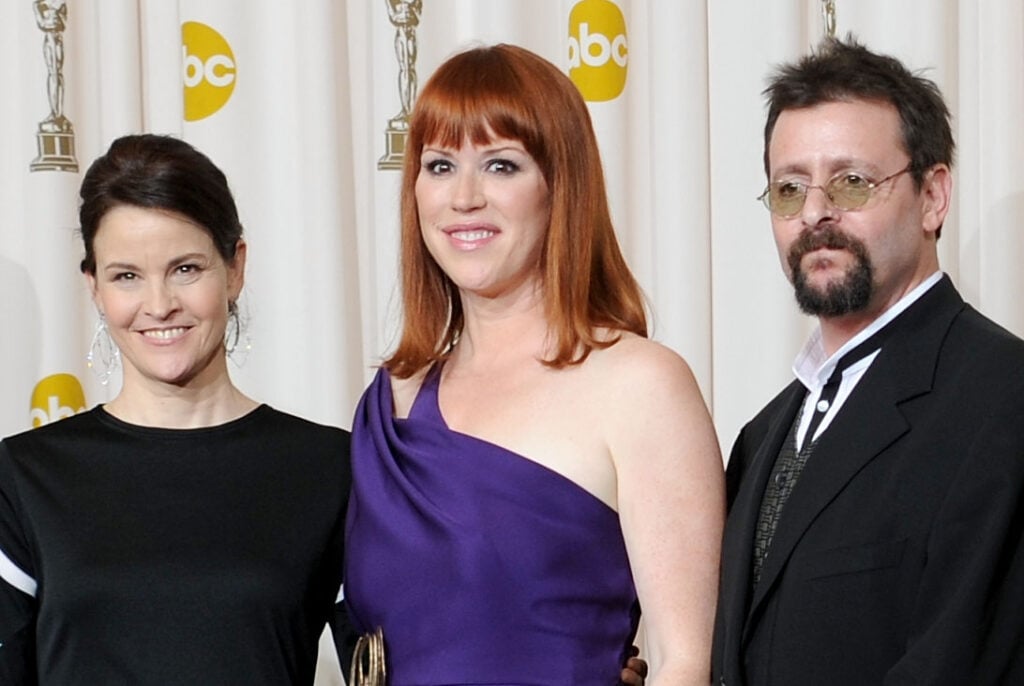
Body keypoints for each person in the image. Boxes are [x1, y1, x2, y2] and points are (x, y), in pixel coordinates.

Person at [343, 44, 724, 685]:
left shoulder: (640, 385)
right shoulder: (393, 399)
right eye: (439, 165)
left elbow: (685, 662)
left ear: (560, 185)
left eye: (501, 165)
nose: (464, 197)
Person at [712, 36, 1024, 685]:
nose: (816, 213)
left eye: (852, 182)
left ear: (933, 196)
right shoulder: (760, 438)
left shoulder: (1003, 398)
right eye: (789, 188)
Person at [0, 134, 354, 684]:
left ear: (234, 267)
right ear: (93, 285)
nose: (160, 304)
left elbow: (399, 659)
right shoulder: (24, 477)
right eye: (126, 276)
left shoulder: (331, 467)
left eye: (186, 268)